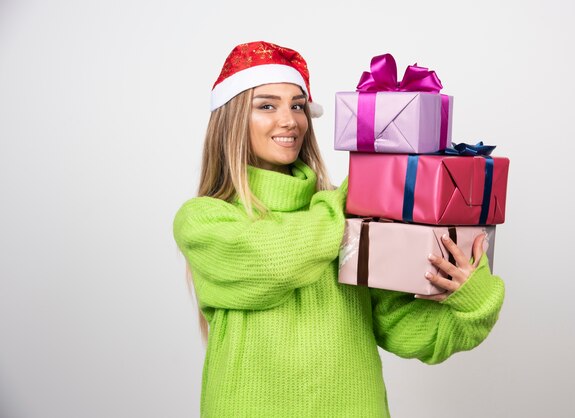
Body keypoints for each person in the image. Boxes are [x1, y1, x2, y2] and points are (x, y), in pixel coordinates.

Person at [172, 40, 505, 418]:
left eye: (298, 106)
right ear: (231, 120)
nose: (290, 120)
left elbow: (401, 327)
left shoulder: (348, 215)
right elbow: (277, 260)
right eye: (267, 105)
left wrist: (472, 298)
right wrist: (363, 188)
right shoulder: (204, 219)